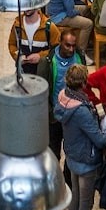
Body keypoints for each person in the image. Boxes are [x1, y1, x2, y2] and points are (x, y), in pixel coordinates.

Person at [54, 64, 106, 210]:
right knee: (85, 205)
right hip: (87, 162)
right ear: (84, 83)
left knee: (75, 198)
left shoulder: (63, 97)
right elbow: (100, 141)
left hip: (72, 157)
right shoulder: (82, 111)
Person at [40, 28, 89, 161]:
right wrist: (50, 113)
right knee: (52, 152)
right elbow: (42, 90)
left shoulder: (79, 57)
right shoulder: (48, 62)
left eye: (74, 45)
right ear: (60, 42)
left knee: (72, 153)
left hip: (74, 114)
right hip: (55, 114)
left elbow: (85, 84)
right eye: (68, 45)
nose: (71, 49)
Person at [7, 7, 62, 75]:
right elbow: (12, 44)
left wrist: (40, 56)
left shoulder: (49, 26)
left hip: (43, 74)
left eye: (30, 3)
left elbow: (58, 48)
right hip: (22, 73)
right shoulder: (17, 25)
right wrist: (18, 56)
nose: (27, 6)